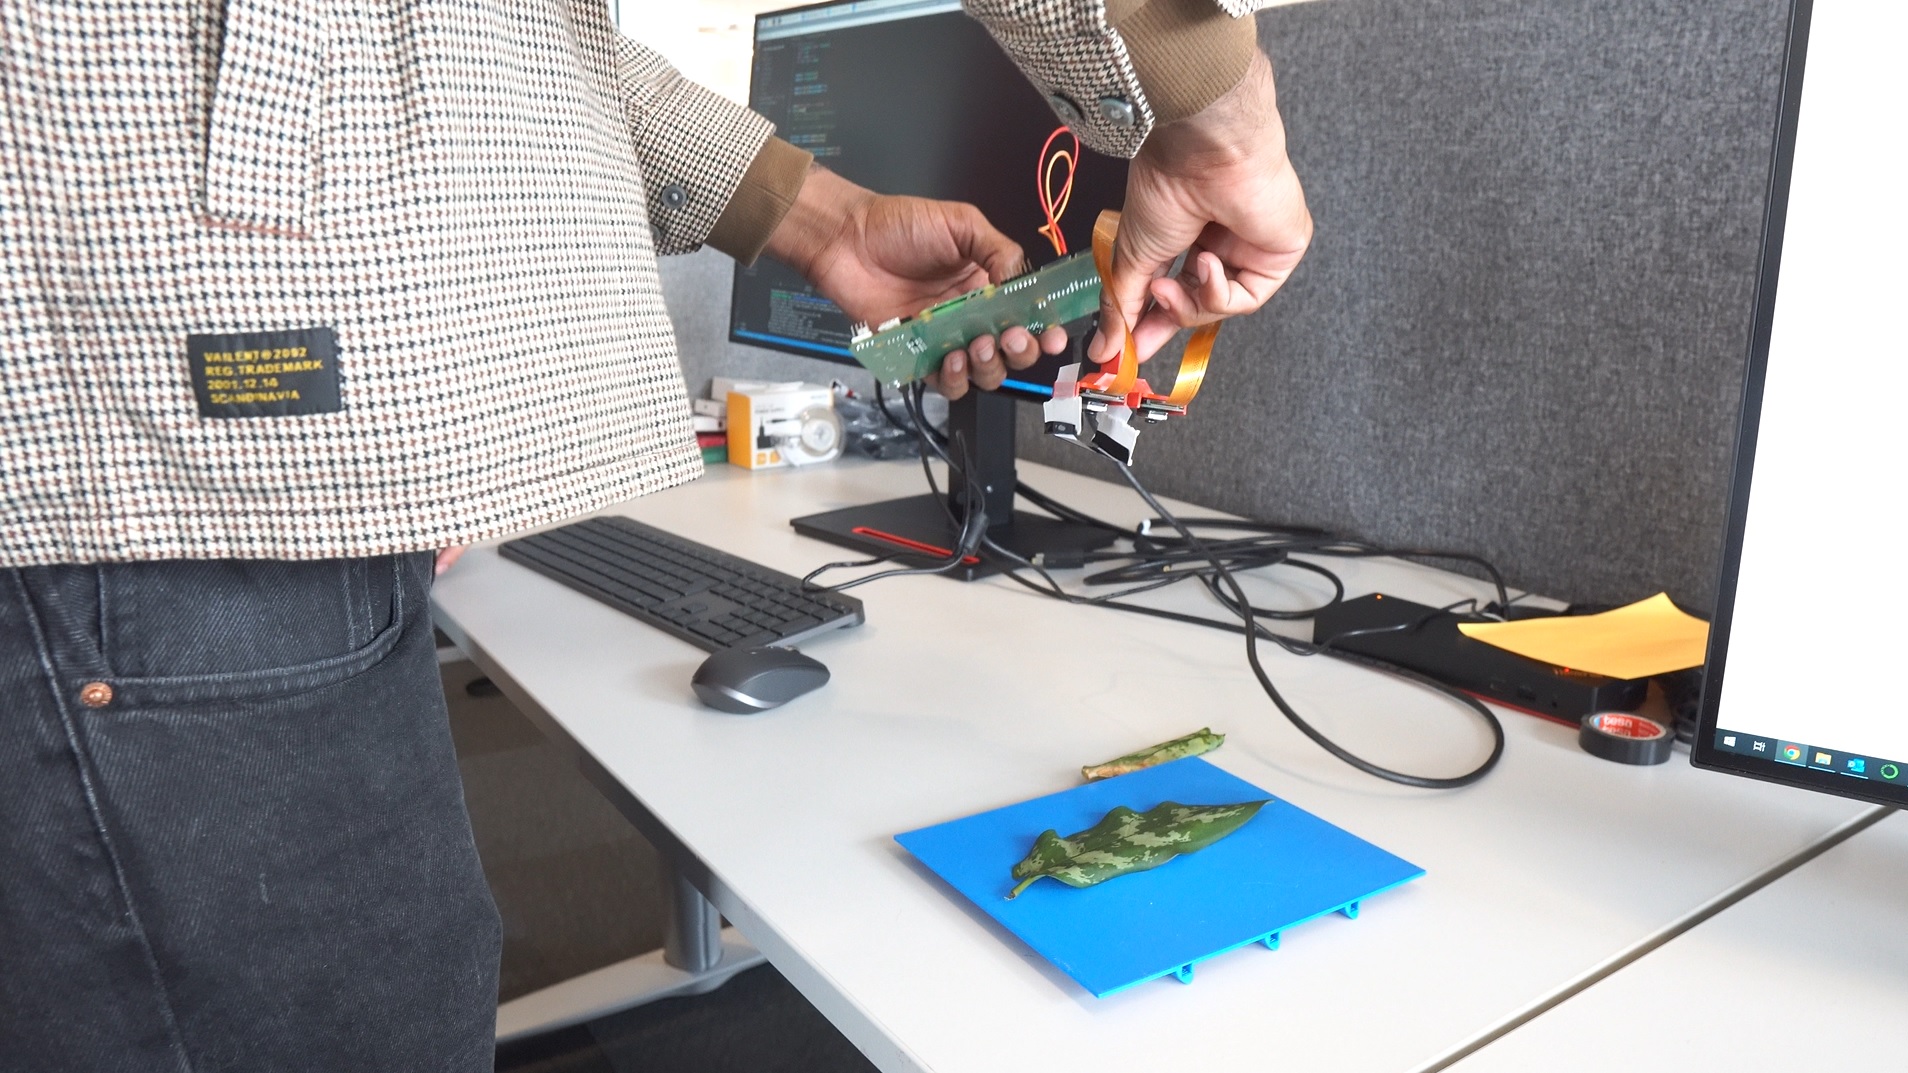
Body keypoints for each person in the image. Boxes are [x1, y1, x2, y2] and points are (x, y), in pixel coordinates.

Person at [0, 0, 1308, 1069]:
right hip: (146, 450)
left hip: (181, 452)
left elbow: (516, 32)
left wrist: (823, 218)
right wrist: (1208, 99)